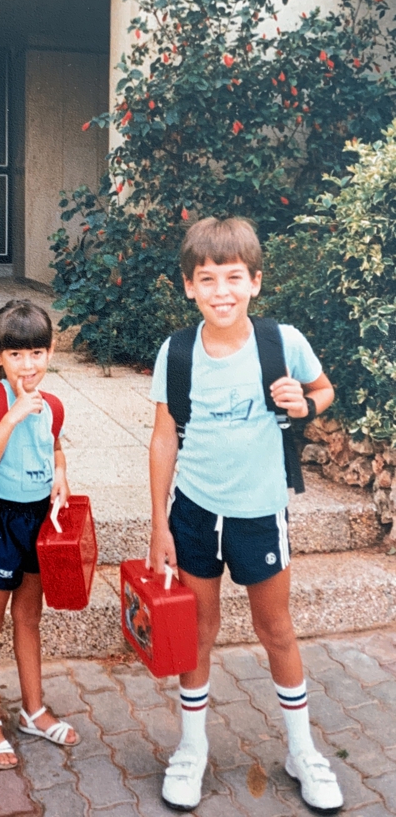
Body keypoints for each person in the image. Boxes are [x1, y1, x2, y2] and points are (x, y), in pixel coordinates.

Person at [148, 217, 343, 813]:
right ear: (189, 287)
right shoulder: (176, 351)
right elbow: (163, 440)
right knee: (197, 633)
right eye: (207, 280)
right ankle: (192, 749)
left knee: (275, 629)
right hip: (195, 514)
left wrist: (304, 402)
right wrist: (158, 523)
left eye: (234, 278)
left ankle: (301, 750)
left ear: (255, 281)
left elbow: (324, 390)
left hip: (260, 513)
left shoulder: (281, 341)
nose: (221, 291)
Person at [0, 299, 79, 769]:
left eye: (36, 354)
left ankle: (33, 710)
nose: (27, 365)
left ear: (50, 353)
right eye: (15, 355)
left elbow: (54, 446)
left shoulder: (52, 405)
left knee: (29, 618)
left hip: (37, 523)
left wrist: (61, 473)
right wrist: (11, 417)